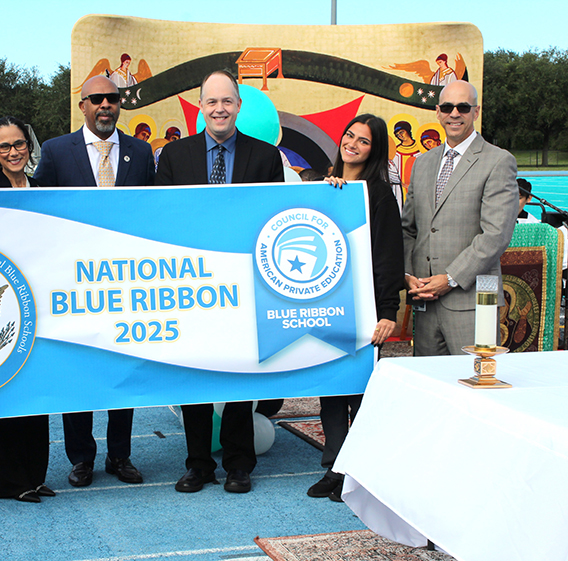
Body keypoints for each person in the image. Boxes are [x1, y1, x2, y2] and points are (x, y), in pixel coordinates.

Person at [155, 69, 284, 494]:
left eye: (227, 101)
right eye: (211, 102)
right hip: (190, 284)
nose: (219, 109)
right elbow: (163, 222)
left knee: (239, 375)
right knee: (194, 375)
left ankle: (238, 464)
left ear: (239, 106)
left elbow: (273, 221)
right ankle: (198, 464)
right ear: (201, 107)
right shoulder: (175, 157)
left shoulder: (265, 157)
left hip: (245, 285)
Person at [33, 75, 154, 487]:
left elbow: (153, 214)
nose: (105, 105)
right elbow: (38, 212)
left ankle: (120, 456)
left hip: (127, 284)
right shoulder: (54, 151)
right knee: (78, 370)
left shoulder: (141, 152)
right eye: (97, 99)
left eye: (112, 99)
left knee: (123, 371)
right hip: (73, 284)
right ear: (82, 105)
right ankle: (81, 457)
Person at [306, 114, 404, 502]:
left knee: (360, 393)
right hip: (328, 306)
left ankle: (358, 470)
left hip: (364, 310)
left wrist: (388, 311)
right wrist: (330, 193)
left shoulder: (378, 193)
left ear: (374, 149)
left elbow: (388, 256)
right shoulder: (328, 185)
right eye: (350, 135)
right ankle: (335, 465)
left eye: (363, 141)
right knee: (331, 388)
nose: (353, 144)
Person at [402, 80, 518, 356]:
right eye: (447, 107)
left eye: (463, 107)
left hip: (472, 301)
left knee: (475, 384)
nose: (455, 113)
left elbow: (495, 235)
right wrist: (408, 275)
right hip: (425, 300)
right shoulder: (423, 162)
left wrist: (450, 278)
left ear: (475, 112)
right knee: (430, 388)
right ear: (438, 112)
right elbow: (409, 228)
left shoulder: (498, 161)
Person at [0, 116, 55, 503]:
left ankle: (35, 476)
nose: (13, 152)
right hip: (4, 306)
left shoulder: (43, 189)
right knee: (7, 393)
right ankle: (10, 482)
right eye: (4, 146)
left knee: (38, 392)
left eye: (19, 144)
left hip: (42, 306)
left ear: (29, 145)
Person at [517, 178, 568, 270]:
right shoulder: (493, 219)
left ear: (529, 198)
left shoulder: (534, 224)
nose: (513, 202)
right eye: (510, 197)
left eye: (519, 198)